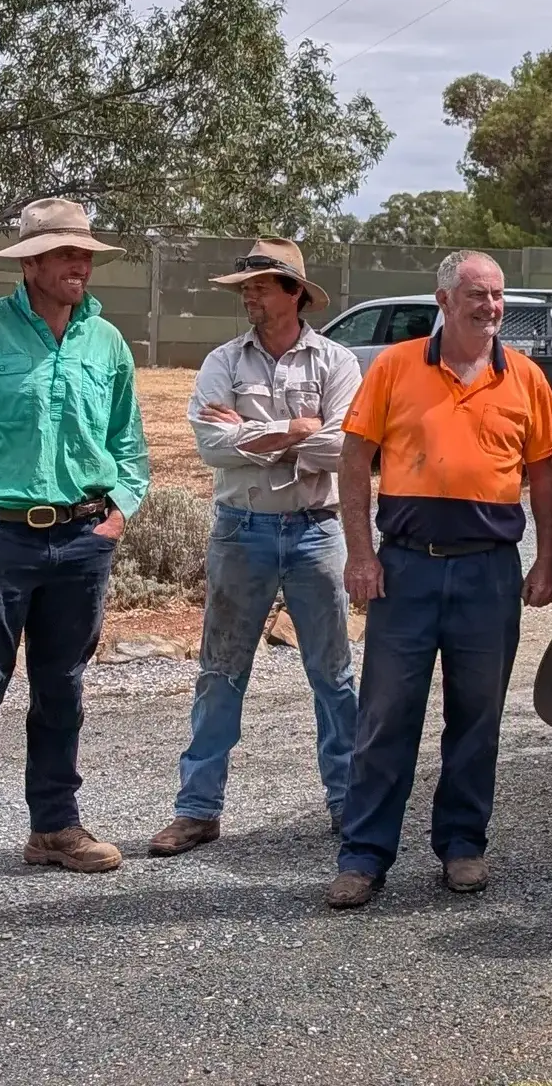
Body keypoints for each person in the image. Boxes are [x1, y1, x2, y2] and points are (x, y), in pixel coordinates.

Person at [0, 199, 150, 906]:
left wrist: (120, 510)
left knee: (62, 688)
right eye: (67, 254)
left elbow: (128, 442)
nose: (82, 264)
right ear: (32, 263)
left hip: (81, 541)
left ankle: (54, 828)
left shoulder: (107, 342)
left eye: (86, 254)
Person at [324, 250, 552, 907]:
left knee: (477, 717)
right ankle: (364, 855)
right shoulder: (396, 367)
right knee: (385, 717)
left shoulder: (527, 378)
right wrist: (359, 553)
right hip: (406, 568)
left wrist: (547, 559)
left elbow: (546, 472)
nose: (490, 308)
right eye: (476, 296)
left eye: (497, 296)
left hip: (488, 572)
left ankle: (463, 846)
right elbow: (354, 458)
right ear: (444, 300)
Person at [148, 240, 363, 857]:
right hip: (241, 528)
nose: (248, 294)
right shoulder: (222, 360)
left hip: (316, 529)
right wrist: (298, 430)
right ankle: (197, 810)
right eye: (245, 286)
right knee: (220, 670)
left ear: (294, 292)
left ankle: (349, 802)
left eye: (261, 285)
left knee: (333, 673)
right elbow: (210, 445)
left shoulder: (336, 362)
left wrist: (255, 433)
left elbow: (345, 448)